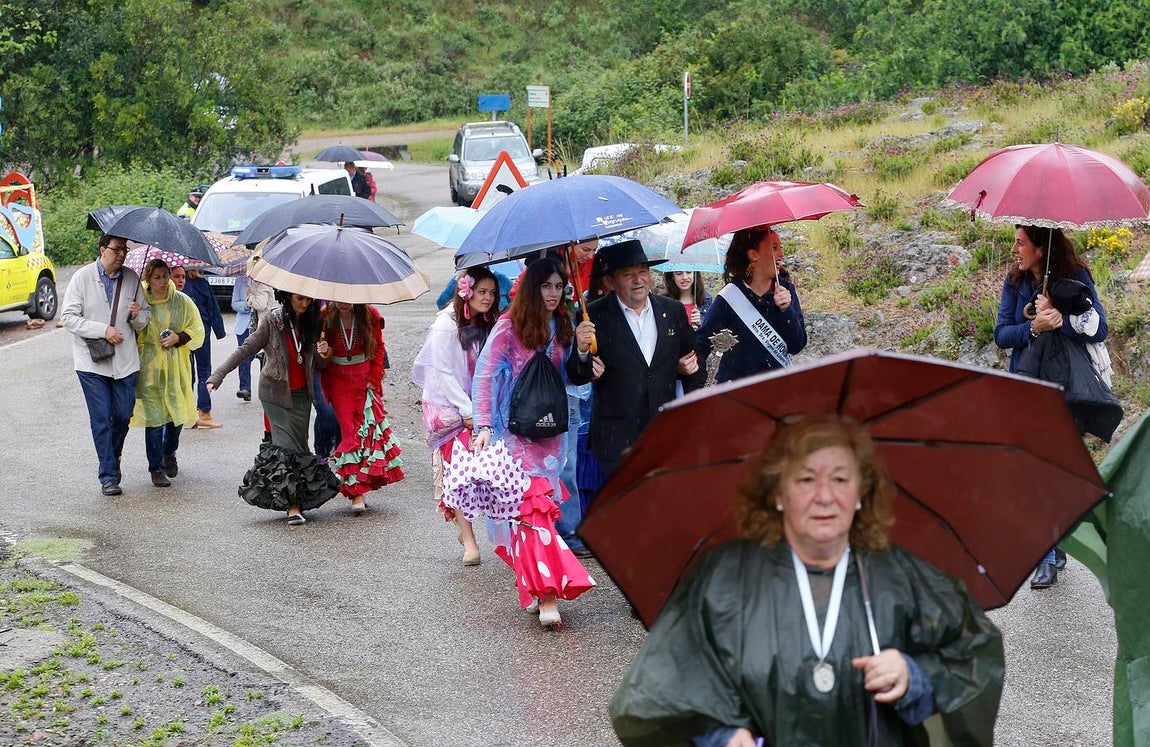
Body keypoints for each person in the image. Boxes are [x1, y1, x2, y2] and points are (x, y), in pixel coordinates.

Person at [610, 413, 1005, 747]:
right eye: (805, 479)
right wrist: (718, 735)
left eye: (839, 479)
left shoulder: (900, 576)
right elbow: (654, 696)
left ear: (861, 493)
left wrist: (916, 677)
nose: (824, 496)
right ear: (777, 492)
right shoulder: (725, 579)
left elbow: (974, 659)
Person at [471, 257, 595, 627]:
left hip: (553, 434)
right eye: (546, 286)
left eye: (559, 286)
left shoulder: (564, 324)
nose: (554, 294)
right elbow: (486, 376)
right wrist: (482, 426)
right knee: (531, 510)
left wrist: (585, 347)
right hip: (516, 436)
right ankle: (547, 595)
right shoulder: (508, 327)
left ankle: (533, 581)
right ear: (532, 288)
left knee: (540, 514)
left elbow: (575, 375)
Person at [994, 224, 1108, 589]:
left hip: (1067, 388)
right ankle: (1047, 554)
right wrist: (1034, 327)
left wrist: (1063, 319)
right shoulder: (1015, 283)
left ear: (1040, 249)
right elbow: (1001, 334)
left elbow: (1100, 328)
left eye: (1020, 242)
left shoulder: (1077, 277)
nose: (1014, 248)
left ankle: (1056, 545)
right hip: (1027, 387)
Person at [568, 240, 705, 481]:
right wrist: (581, 351)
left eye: (642, 272)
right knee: (626, 508)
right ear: (610, 282)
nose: (638, 280)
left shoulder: (671, 310)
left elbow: (693, 362)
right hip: (616, 434)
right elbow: (578, 374)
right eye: (628, 274)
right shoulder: (593, 315)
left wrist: (684, 375)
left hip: (664, 428)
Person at [206, 291, 338, 525]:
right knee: (287, 450)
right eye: (299, 298)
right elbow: (246, 349)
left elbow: (319, 363)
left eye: (308, 300)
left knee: (300, 447)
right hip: (274, 394)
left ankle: (296, 498)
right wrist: (218, 375)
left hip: (301, 396)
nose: (304, 303)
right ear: (287, 296)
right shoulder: (273, 321)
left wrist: (325, 353)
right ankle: (293, 506)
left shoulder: (314, 322)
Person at [412, 266, 500, 566]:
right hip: (448, 409)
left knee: (484, 472)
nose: (487, 298)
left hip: (474, 405)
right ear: (466, 291)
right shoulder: (445, 325)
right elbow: (445, 375)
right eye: (481, 292)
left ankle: (474, 533)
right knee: (458, 474)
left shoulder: (483, 322)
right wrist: (468, 411)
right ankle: (470, 540)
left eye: (491, 293)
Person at [61, 234, 151, 495]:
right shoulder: (82, 277)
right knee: (101, 418)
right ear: (103, 250)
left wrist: (137, 315)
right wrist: (103, 330)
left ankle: (114, 456)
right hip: (91, 362)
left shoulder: (132, 279)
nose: (122, 254)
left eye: (125, 249)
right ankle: (109, 475)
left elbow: (145, 319)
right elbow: (68, 318)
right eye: (117, 249)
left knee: (123, 415)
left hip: (125, 360)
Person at [317, 301, 404, 512]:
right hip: (338, 380)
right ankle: (356, 493)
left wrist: (374, 377)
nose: (343, 304)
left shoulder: (370, 313)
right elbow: (321, 356)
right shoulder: (326, 314)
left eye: (348, 298)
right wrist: (323, 350)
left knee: (366, 434)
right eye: (338, 298)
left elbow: (379, 346)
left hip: (363, 377)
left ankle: (360, 483)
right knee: (350, 432)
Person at [696, 225, 806, 384]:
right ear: (754, 255)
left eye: (780, 248)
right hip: (738, 394)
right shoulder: (730, 297)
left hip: (778, 390)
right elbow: (702, 344)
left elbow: (796, 345)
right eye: (774, 248)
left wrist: (786, 311)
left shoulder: (786, 290)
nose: (781, 254)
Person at [130, 259, 204, 487]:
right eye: (157, 277)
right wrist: (132, 315)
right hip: (150, 369)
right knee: (154, 420)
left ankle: (169, 451)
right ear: (148, 280)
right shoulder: (141, 303)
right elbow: (131, 332)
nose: (163, 282)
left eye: (165, 276)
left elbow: (197, 329)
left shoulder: (182, 302)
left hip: (176, 367)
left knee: (176, 417)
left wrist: (179, 337)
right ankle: (156, 468)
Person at [182, 268, 226, 428]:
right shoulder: (202, 283)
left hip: (182, 334)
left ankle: (185, 414)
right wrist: (219, 331)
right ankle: (204, 413)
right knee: (204, 372)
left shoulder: (177, 284)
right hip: (201, 332)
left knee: (186, 373)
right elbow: (213, 308)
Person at [230, 274, 259, 401]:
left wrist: (255, 297)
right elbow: (234, 303)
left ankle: (267, 390)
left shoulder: (265, 279)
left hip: (261, 324)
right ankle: (245, 388)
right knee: (244, 357)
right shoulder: (240, 280)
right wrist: (247, 304)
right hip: (244, 325)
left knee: (265, 358)